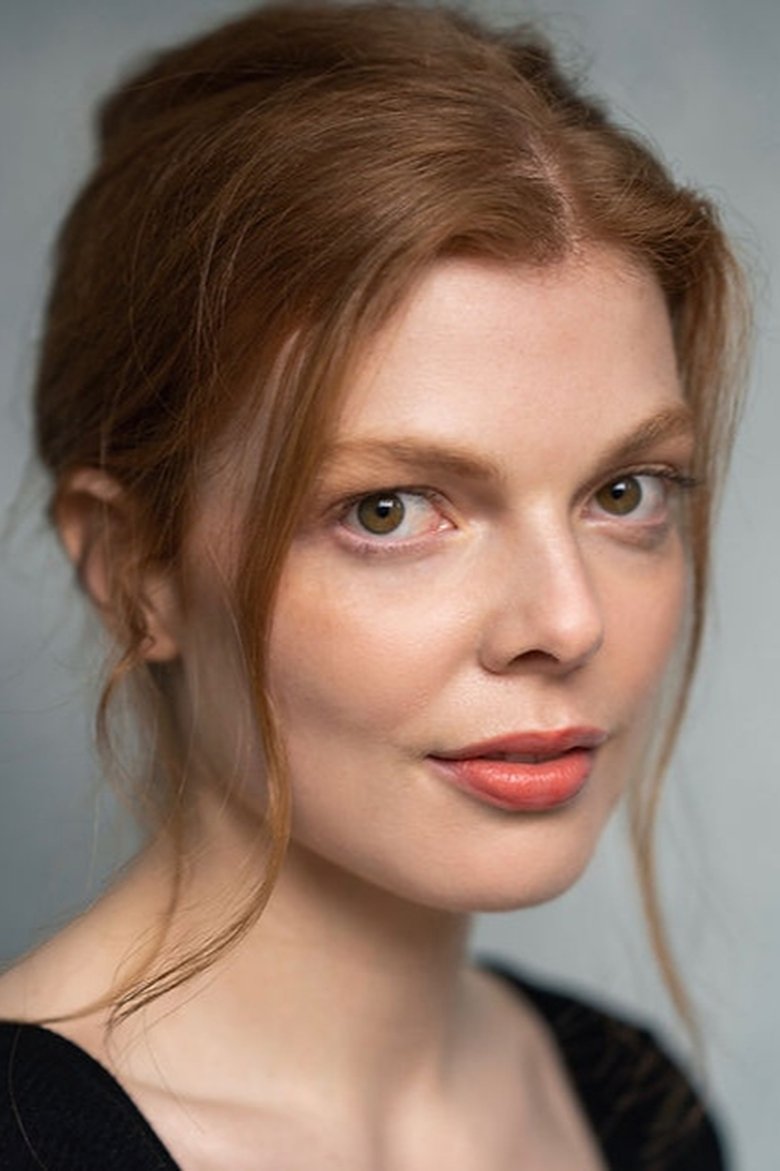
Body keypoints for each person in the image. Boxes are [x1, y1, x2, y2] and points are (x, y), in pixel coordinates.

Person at [0, 2, 747, 1167]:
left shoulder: (635, 1106)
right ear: (134, 567)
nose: (569, 621)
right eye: (389, 510)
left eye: (624, 491)